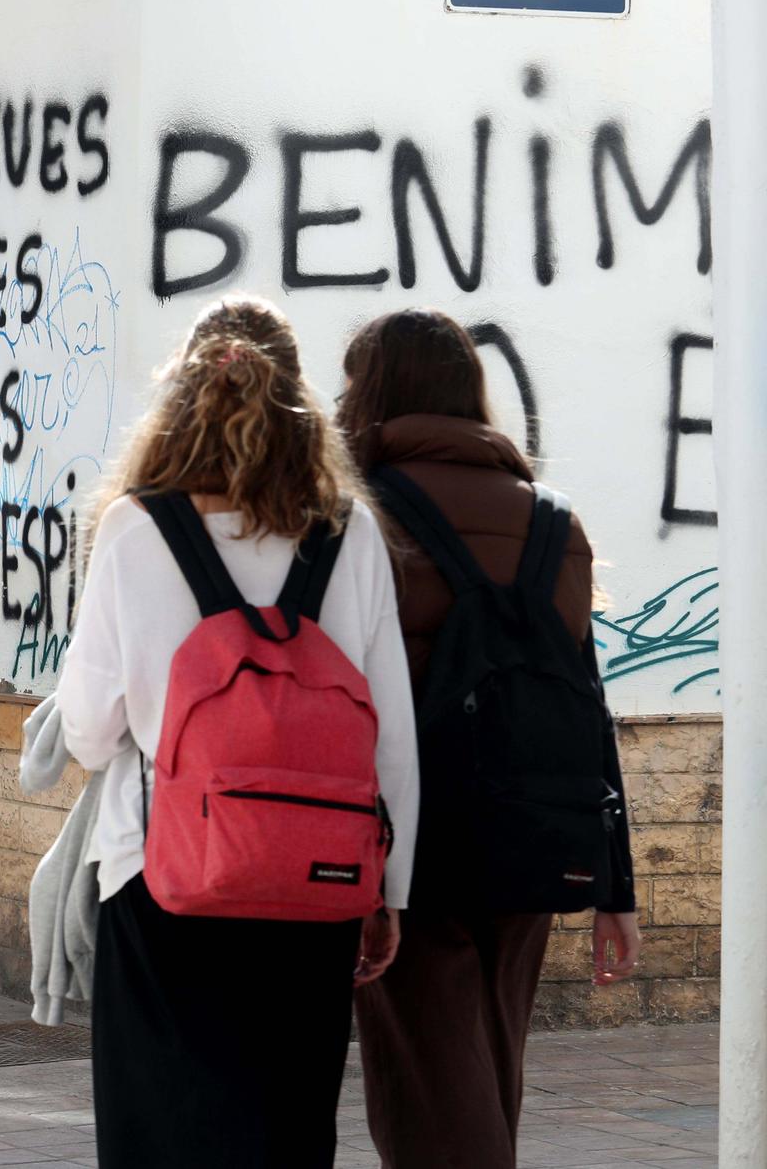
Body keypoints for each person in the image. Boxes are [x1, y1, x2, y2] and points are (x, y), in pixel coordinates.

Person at [58, 297, 419, 1167]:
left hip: (161, 878)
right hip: (315, 876)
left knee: (161, 1131)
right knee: (286, 1130)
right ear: (301, 398)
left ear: (181, 395)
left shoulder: (135, 529)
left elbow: (88, 730)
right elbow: (390, 730)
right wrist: (389, 890)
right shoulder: (349, 532)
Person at [337, 309, 638, 1169]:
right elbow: (586, 704)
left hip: (414, 839)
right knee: (486, 1070)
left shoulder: (362, 517)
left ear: (378, 393)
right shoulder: (556, 525)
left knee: (427, 1084)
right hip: (538, 830)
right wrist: (616, 883)